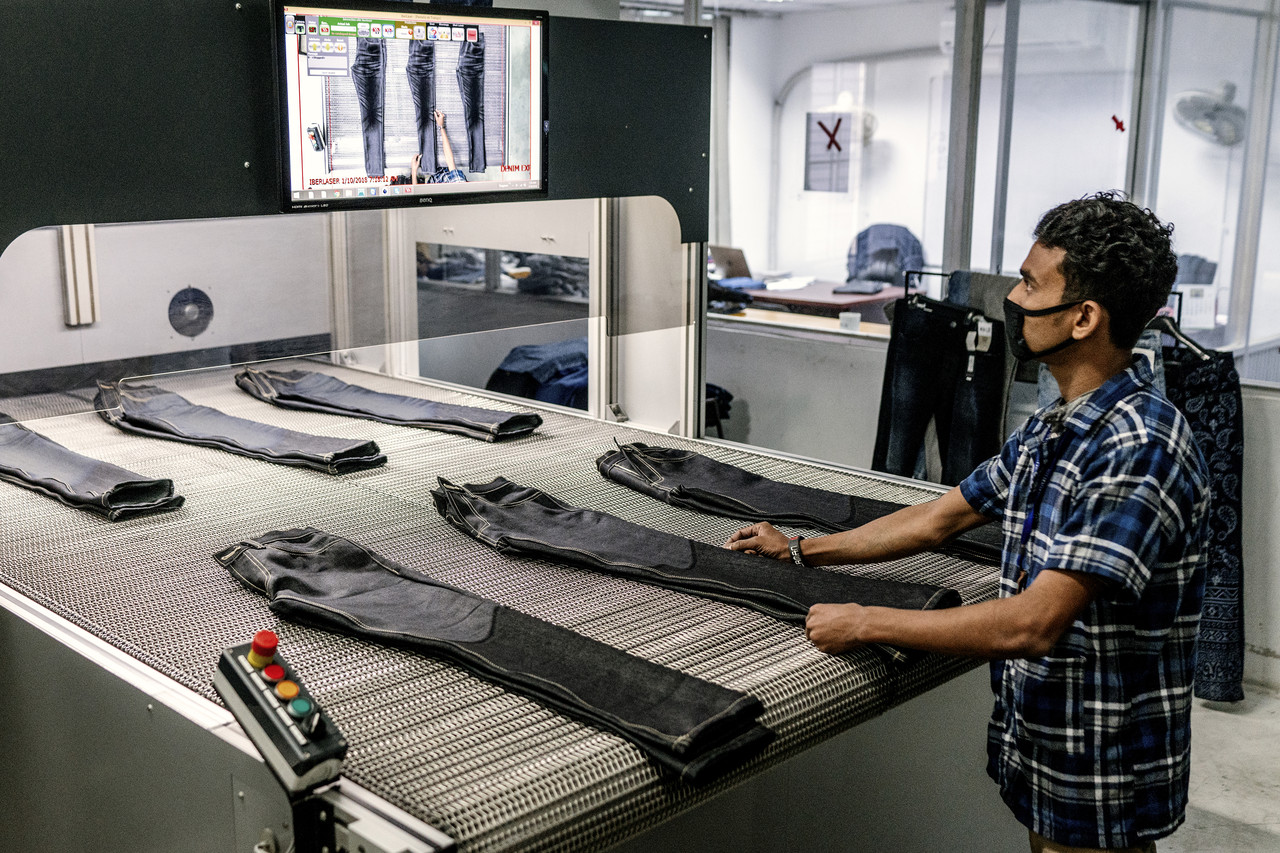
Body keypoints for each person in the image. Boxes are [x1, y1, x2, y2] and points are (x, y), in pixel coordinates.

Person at [727, 192, 1210, 853]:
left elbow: (1033, 622)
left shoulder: (1138, 445)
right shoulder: (1053, 426)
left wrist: (864, 620)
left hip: (1103, 763)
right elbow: (939, 517)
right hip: (1050, 741)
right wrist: (804, 551)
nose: (1014, 297)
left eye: (1031, 283)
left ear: (1083, 317)